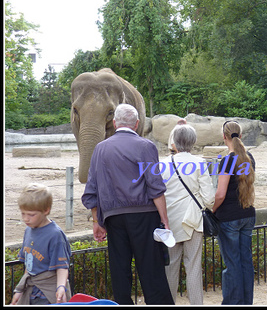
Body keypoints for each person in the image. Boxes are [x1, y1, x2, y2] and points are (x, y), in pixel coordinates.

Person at [81, 103, 174, 305]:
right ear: (137, 124)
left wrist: (97, 220)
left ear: (114, 123)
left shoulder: (100, 148)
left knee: (119, 269)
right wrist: (165, 220)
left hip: (113, 218)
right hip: (144, 215)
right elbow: (155, 187)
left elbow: (92, 188)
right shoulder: (146, 146)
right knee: (151, 270)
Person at [160, 124, 216, 304]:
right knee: (193, 266)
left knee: (171, 267)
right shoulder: (199, 162)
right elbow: (209, 198)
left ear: (174, 142)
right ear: (193, 142)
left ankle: (169, 303)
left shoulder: (162, 164)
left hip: (170, 220)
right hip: (193, 220)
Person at [213, 120, 256, 305]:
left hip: (229, 218)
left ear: (224, 137)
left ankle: (232, 302)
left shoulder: (226, 161)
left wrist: (212, 209)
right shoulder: (249, 158)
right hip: (247, 214)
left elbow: (220, 193)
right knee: (246, 261)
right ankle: (246, 301)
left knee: (232, 264)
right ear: (240, 135)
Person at [11, 183, 71, 305]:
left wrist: (61, 287)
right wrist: (20, 290)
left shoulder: (55, 235)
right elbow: (29, 266)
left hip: (48, 292)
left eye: (31, 215)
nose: (26, 219)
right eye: (23, 214)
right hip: (31, 289)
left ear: (46, 210)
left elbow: (62, 267)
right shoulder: (28, 230)